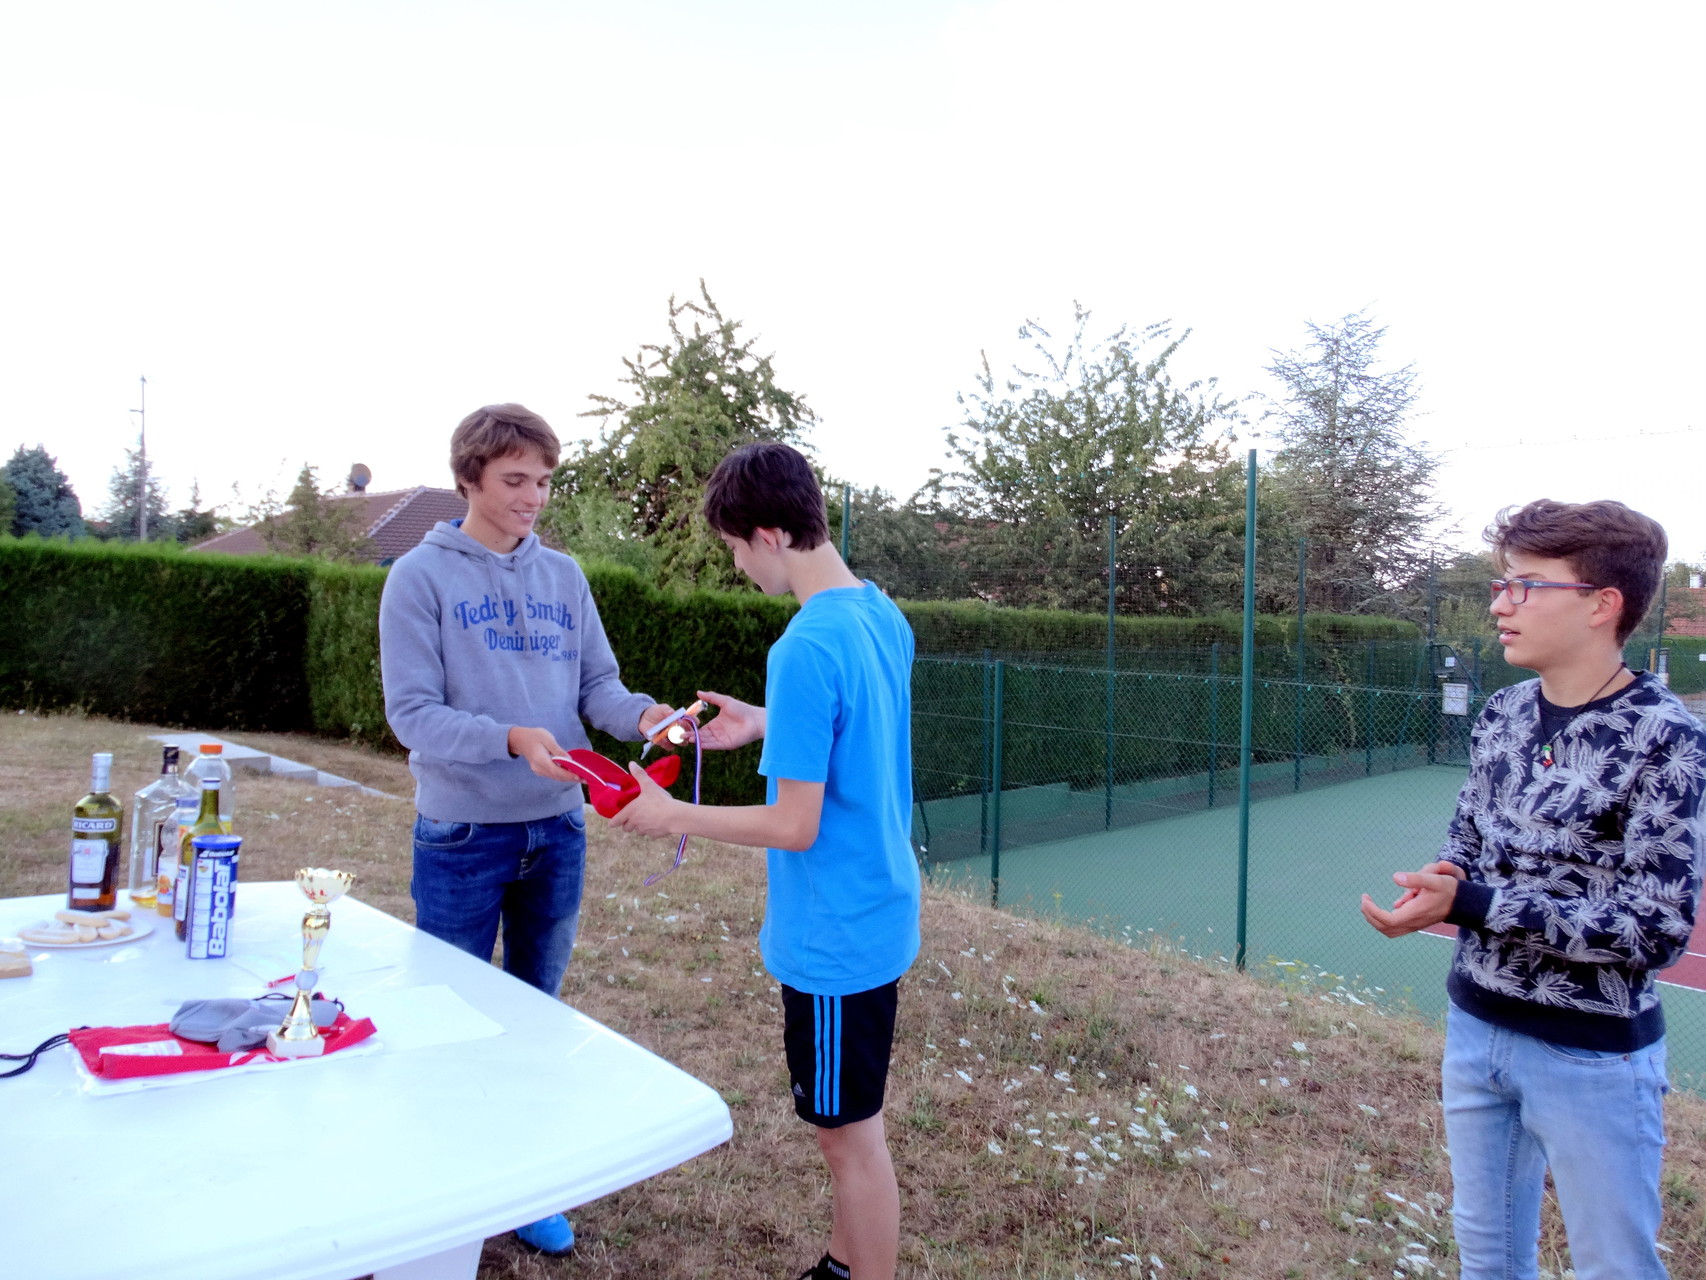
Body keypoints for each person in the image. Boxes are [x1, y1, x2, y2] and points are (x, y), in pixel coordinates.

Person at [1361, 498, 1705, 1280]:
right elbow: (1469, 840)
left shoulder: (1667, 738)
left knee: (1615, 1268)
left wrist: (1474, 905)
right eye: (1500, 584)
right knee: (1488, 1262)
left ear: (1600, 604)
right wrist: (1443, 880)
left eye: (1526, 585)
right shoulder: (1504, 713)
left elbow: (1654, 929)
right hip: (1476, 1030)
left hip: (1590, 1060)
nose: (1499, 604)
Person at [610, 441, 920, 1280]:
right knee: (857, 1121)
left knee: (848, 1140)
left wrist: (675, 813)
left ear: (771, 534)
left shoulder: (805, 646)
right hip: (881, 909)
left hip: (834, 937)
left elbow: (795, 825)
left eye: (736, 548)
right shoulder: (878, 613)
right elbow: (855, 729)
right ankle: (841, 1263)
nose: (740, 565)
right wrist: (765, 719)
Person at [379, 402, 677, 1257]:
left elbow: (599, 691)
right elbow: (413, 716)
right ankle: (445, 1197)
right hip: (463, 836)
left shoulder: (566, 577)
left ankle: (525, 1187)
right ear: (469, 477)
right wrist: (510, 739)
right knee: (450, 1021)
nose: (534, 498)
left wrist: (648, 716)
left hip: (558, 831)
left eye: (544, 481)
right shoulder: (419, 578)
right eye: (516, 481)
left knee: (536, 1019)